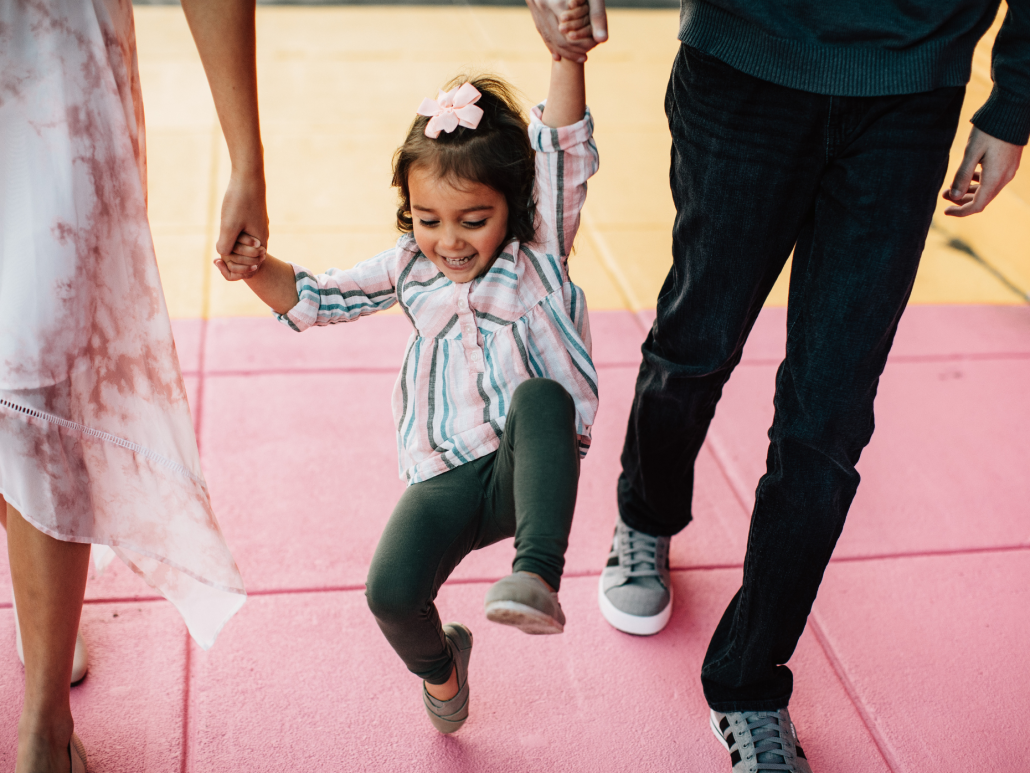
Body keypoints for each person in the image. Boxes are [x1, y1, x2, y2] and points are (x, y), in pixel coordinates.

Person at [531, 0, 1027, 770]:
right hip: (744, 61)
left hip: (911, 87)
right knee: (696, 340)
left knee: (828, 418)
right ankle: (647, 512)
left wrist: (1016, 99)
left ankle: (750, 683)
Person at [217, 32, 599, 733]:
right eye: (429, 220)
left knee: (542, 396)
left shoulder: (539, 254)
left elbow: (562, 150)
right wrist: (254, 267)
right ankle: (444, 664)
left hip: (527, 470)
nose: (449, 239)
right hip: (446, 471)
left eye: (473, 220)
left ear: (513, 207)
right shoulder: (409, 267)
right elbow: (320, 296)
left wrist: (567, 54)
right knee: (389, 591)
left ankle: (537, 574)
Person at [0, 1, 268, 770]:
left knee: (38, 378)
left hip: (55, 67)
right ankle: (35, 592)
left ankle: (44, 725)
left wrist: (246, 151)